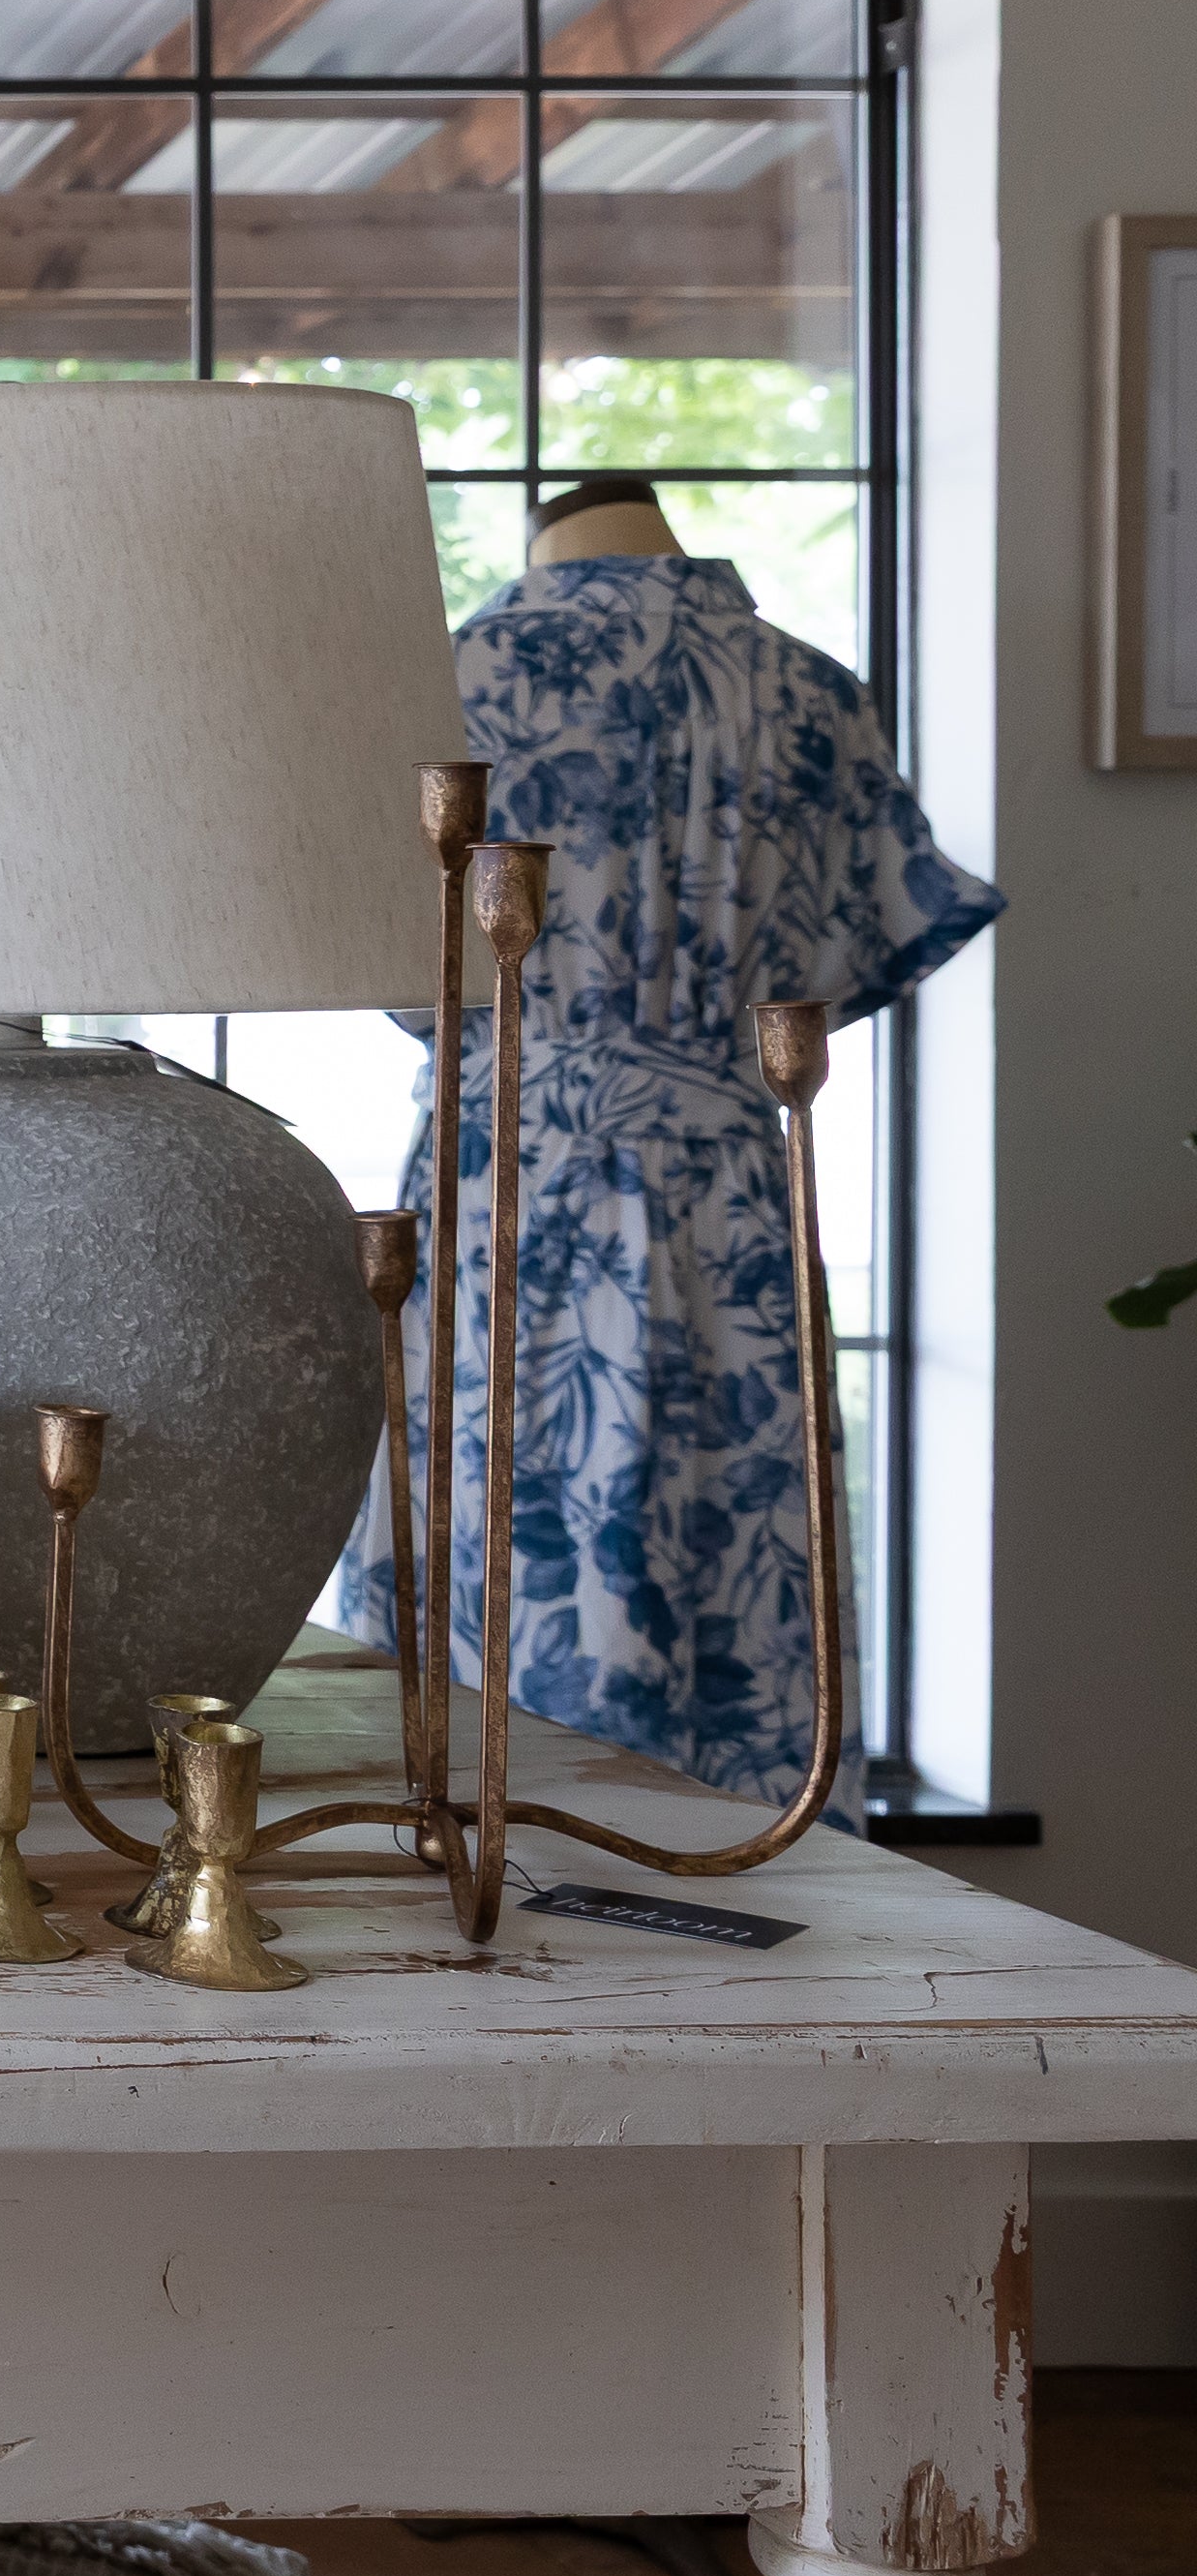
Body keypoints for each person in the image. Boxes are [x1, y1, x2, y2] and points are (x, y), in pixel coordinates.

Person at [391, 480, 997, 1799]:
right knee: (734, 1550)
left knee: (500, 1546)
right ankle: (727, 1875)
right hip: (730, 1194)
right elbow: (861, 948)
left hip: (508, 1176)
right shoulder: (811, 695)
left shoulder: (439, 689)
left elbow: (400, 974)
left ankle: (479, 1872)